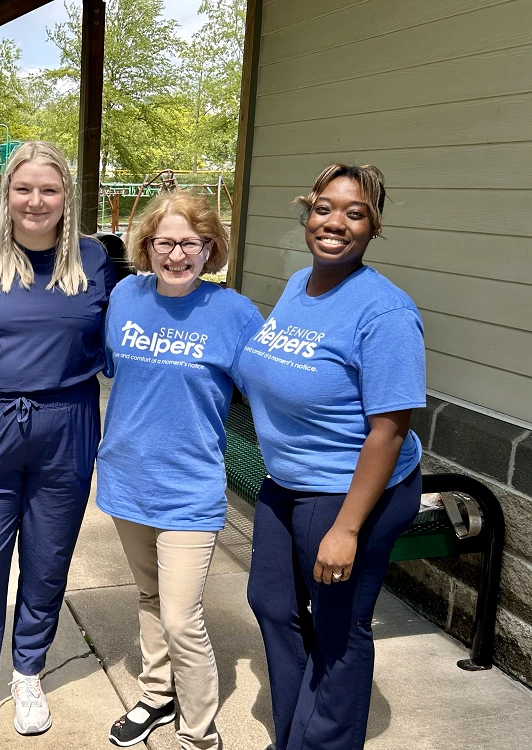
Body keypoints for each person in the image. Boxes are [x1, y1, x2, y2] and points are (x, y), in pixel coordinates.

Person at [237, 165, 426, 750]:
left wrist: (347, 529)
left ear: (373, 228)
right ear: (307, 212)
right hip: (287, 480)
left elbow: (390, 430)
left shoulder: (385, 313)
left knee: (339, 630)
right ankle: (295, 732)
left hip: (351, 490)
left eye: (355, 212)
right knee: (270, 603)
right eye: (324, 207)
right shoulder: (299, 285)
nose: (335, 222)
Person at [0, 140, 116, 737]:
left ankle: (29, 670)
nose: (35, 201)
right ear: (4, 194)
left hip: (67, 421)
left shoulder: (95, 261)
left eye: (49, 189)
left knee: (46, 559)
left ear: (67, 196)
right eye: (24, 189)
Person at [96, 192, 263, 749]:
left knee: (181, 615)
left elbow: (271, 392)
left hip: (190, 486)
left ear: (209, 247)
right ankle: (155, 695)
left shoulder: (234, 313)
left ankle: (197, 730)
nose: (176, 255)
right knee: (149, 597)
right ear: (146, 246)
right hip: (126, 477)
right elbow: (107, 368)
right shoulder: (125, 296)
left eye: (190, 243)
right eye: (164, 242)